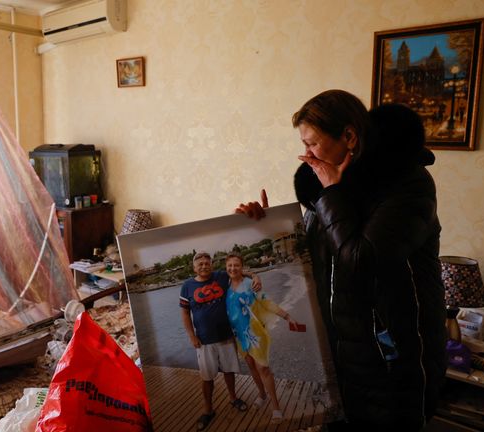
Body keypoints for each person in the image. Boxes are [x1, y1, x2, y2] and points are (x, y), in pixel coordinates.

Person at [238, 90, 446, 430]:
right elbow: (316, 254)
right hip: (340, 351)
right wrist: (265, 226)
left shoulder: (408, 186)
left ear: (349, 137)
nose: (305, 154)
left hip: (391, 357)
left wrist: (332, 194)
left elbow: (362, 260)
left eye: (313, 143)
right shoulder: (329, 186)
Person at [224, 253, 301, 424]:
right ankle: (262, 394)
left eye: (236, 265)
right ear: (226, 267)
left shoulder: (250, 284)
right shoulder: (226, 286)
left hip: (255, 334)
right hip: (238, 335)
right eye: (229, 265)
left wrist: (287, 317)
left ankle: (276, 407)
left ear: (242, 267)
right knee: (251, 365)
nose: (232, 268)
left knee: (263, 368)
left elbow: (267, 302)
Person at [180, 251, 249, 430]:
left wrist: (255, 277)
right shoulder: (187, 286)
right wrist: (191, 336)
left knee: (229, 371)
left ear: (211, 264)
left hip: (226, 336)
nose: (204, 266)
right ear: (194, 267)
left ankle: (233, 398)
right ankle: (208, 410)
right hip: (204, 340)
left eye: (207, 262)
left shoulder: (220, 276)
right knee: (207, 377)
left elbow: (239, 272)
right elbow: (185, 313)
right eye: (200, 263)